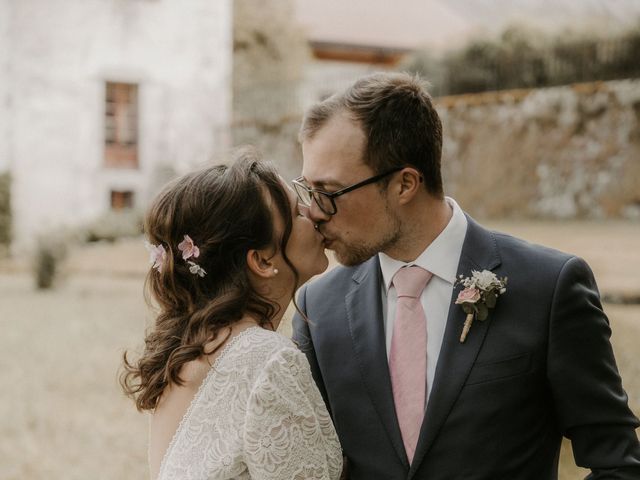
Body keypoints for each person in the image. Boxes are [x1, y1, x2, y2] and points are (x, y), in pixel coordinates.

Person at [291, 72, 640, 479]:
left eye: (329, 192)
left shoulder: (549, 287)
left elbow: (618, 464)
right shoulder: (318, 309)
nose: (313, 212)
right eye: (307, 189)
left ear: (405, 184)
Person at [121, 149, 343, 480]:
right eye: (297, 213)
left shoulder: (182, 355)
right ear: (263, 261)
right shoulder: (270, 361)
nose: (313, 213)